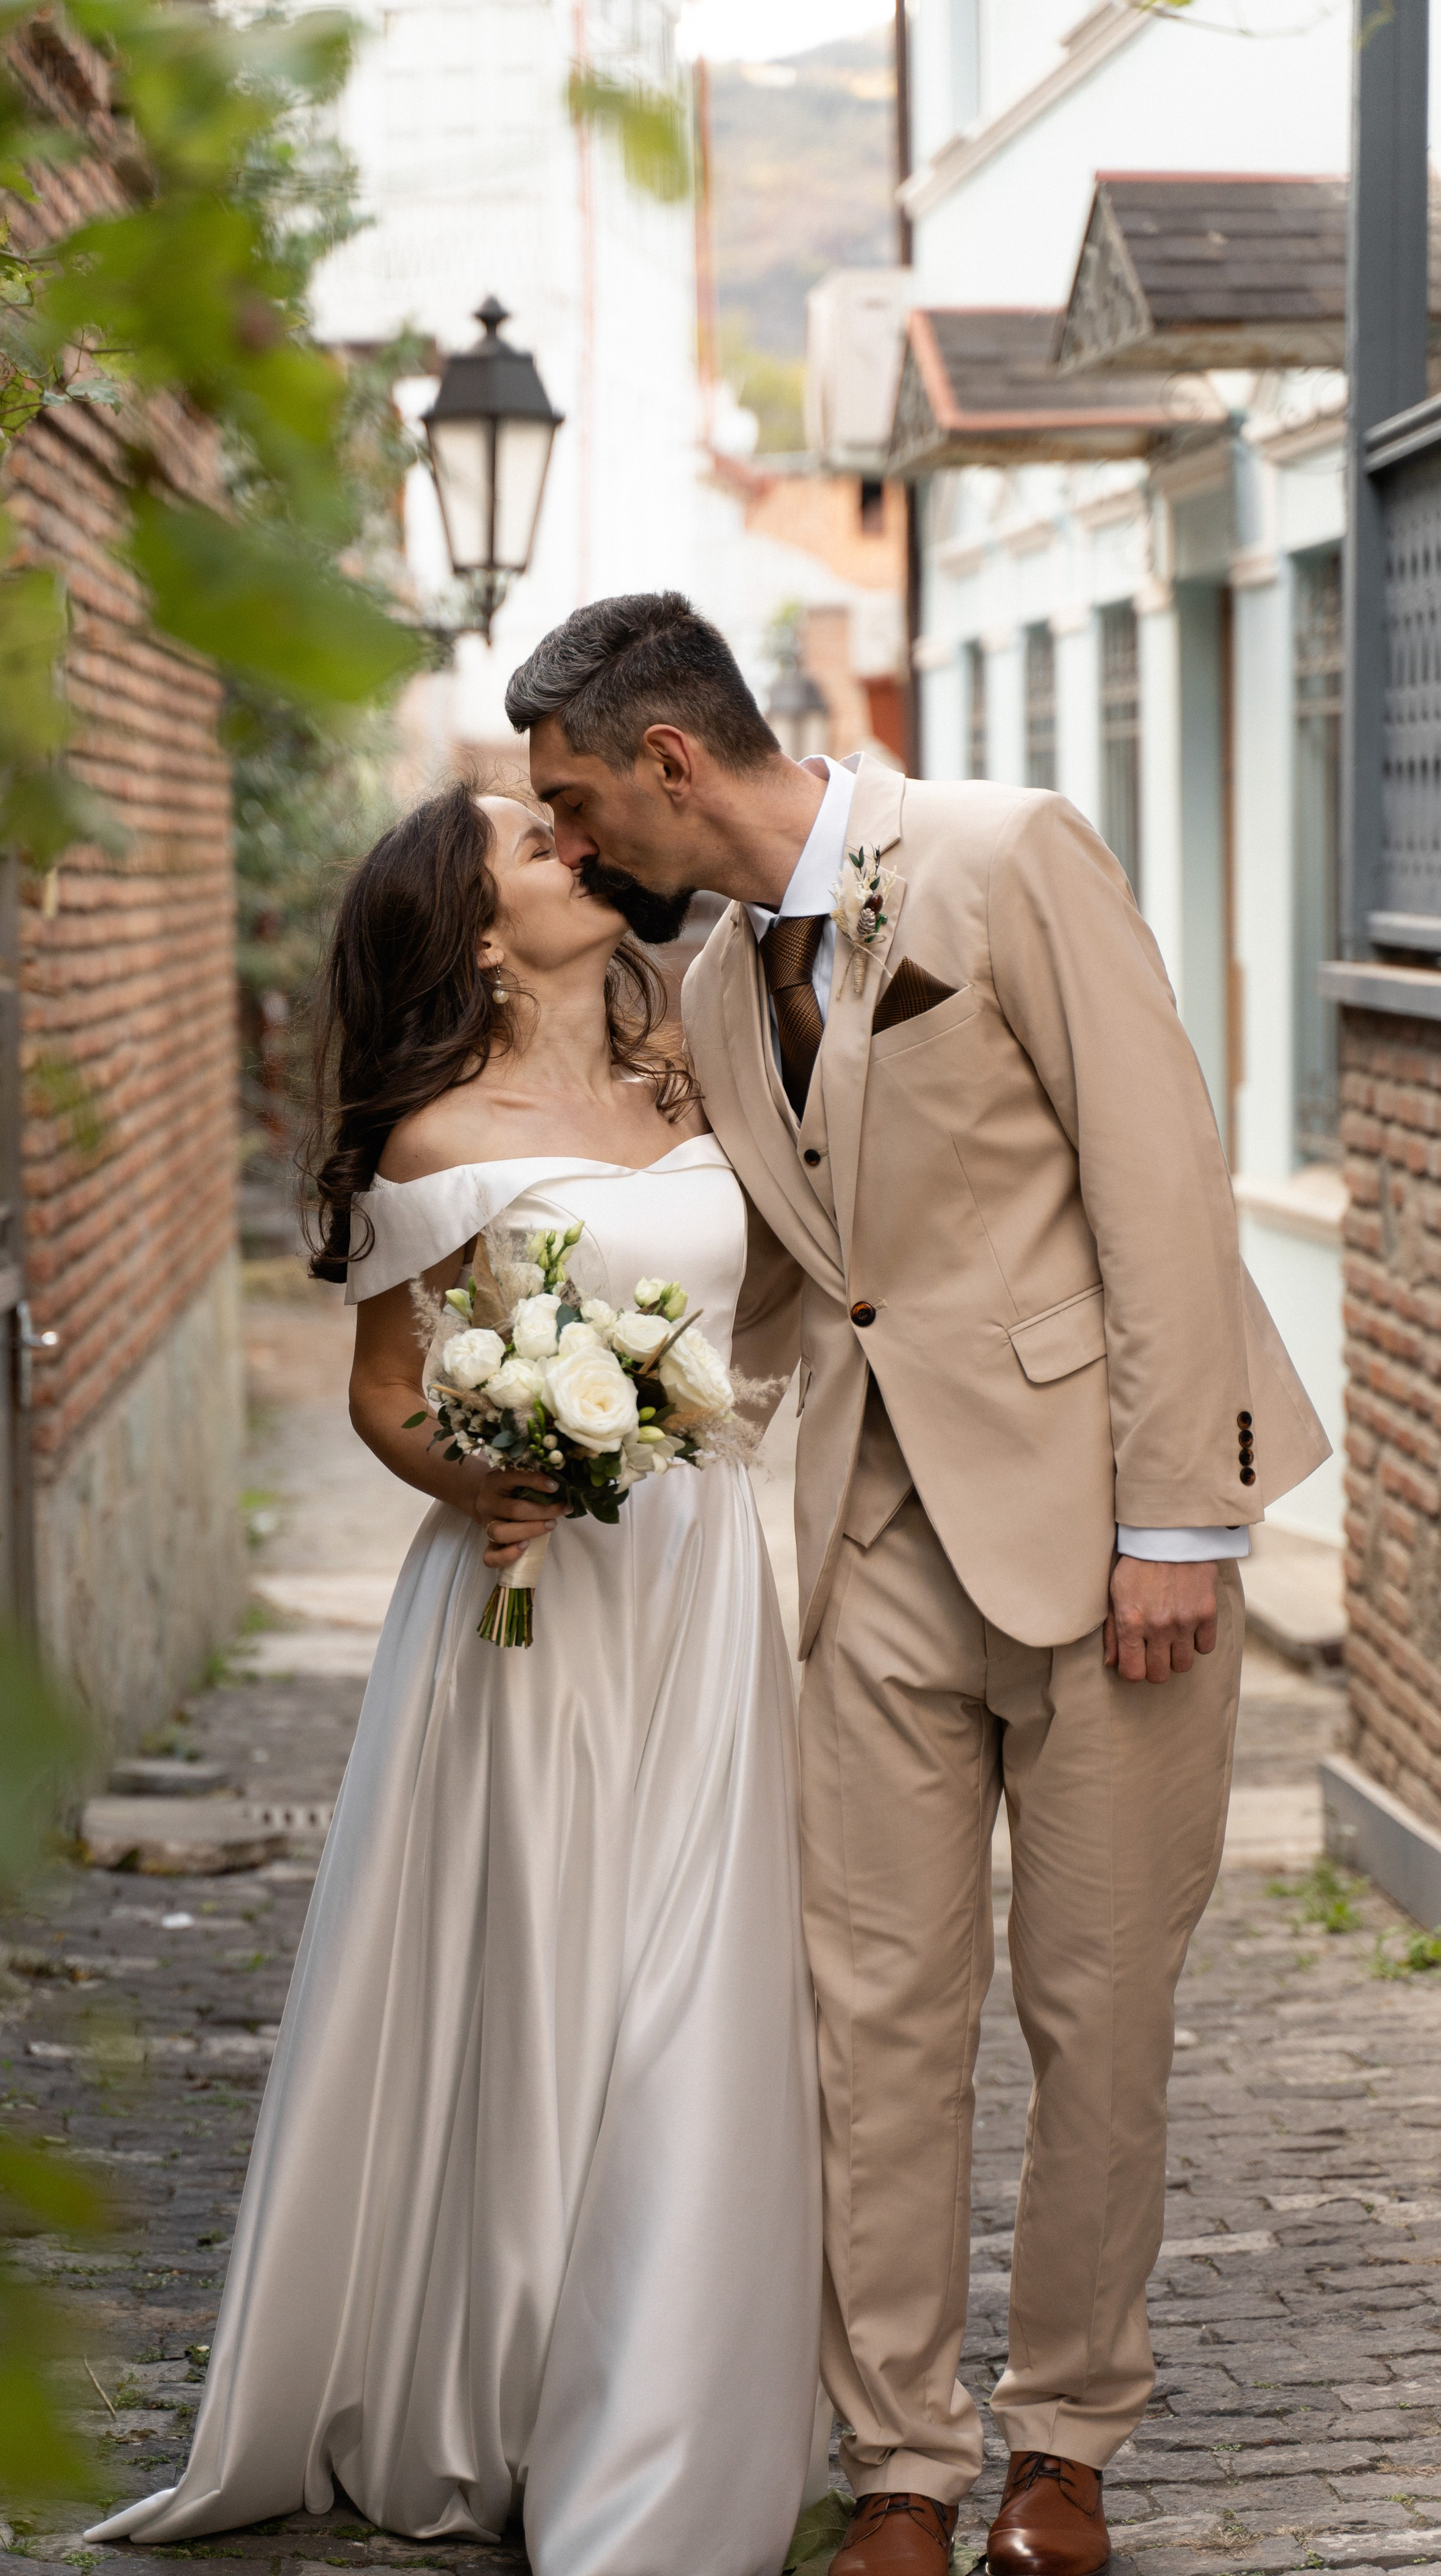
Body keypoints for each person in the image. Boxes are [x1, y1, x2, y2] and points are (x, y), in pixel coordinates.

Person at [504, 595, 1332, 2576]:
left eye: (572, 801)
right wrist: (603, 1416)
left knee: (1095, 2002)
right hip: (870, 1533)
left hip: (1098, 1531)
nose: (564, 845)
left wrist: (1178, 1521)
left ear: (671, 763)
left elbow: (1161, 1170)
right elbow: (806, 1277)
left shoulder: (1000, 850)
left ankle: (1064, 2443)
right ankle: (900, 2456)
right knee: (870, 2011)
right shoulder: (711, 990)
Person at [85, 781, 821, 2576]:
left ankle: (668, 2405)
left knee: (694, 1983)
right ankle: (513, 2384)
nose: (570, 831)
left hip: (704, 1585)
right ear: (481, 926)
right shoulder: (429, 1139)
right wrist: (494, 1470)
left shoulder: (699, 1070)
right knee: (554, 1973)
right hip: (533, 1604)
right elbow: (386, 1390)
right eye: (527, 833)